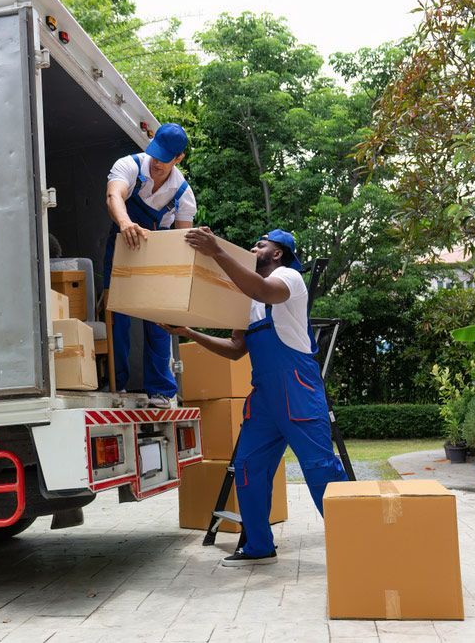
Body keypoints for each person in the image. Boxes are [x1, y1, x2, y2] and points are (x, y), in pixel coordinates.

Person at [163, 227, 348, 567]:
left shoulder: (290, 278)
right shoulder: (246, 299)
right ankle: (259, 545)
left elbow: (263, 289)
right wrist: (189, 333)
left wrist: (218, 251)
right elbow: (236, 349)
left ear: (277, 253)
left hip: (297, 389)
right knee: (248, 467)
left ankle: (358, 542)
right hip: (265, 397)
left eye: (260, 244)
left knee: (319, 467)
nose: (253, 247)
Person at [104, 123, 196, 407]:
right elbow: (114, 196)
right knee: (117, 314)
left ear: (179, 158)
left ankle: (160, 389)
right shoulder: (130, 166)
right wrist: (125, 223)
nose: (157, 162)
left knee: (159, 319)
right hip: (123, 244)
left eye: (165, 158)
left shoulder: (183, 194)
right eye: (155, 154)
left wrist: (180, 290)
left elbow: (183, 242)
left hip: (158, 253)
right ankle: (116, 382)